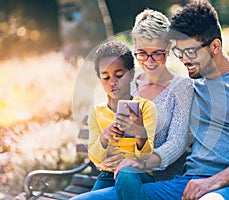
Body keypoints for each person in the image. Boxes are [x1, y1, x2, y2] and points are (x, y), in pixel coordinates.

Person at [71, 1, 229, 199]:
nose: (184, 59)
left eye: (191, 51)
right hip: (185, 184)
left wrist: (213, 182)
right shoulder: (193, 87)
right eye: (179, 52)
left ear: (215, 47)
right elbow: (166, 124)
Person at [71, 9, 194, 200]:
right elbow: (108, 124)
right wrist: (107, 156)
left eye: (157, 54)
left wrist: (141, 162)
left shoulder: (182, 88)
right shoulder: (128, 80)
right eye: (142, 54)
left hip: (155, 176)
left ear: (169, 47)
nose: (150, 61)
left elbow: (176, 143)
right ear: (135, 46)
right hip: (115, 173)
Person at [87, 41, 157, 191]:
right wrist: (104, 137)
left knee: (125, 174)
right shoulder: (96, 112)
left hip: (137, 174)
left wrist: (139, 132)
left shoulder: (145, 108)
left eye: (119, 75)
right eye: (105, 77)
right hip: (107, 175)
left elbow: (145, 156)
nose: (113, 82)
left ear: (131, 74)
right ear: (99, 79)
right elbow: (95, 158)